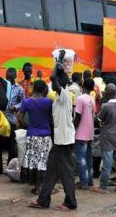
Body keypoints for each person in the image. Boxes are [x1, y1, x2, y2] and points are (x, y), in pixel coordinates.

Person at [28, 58, 77, 211]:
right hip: (60, 140)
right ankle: (43, 200)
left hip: (65, 140)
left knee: (66, 172)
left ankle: (70, 202)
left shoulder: (65, 95)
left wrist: (57, 64)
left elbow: (53, 80)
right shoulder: (58, 97)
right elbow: (53, 81)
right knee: (51, 170)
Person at [18, 80, 53, 194]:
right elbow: (52, 118)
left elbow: (20, 116)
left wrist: (26, 125)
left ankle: (35, 187)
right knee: (43, 161)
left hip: (32, 134)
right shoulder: (49, 102)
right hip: (45, 135)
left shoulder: (26, 102)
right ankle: (42, 187)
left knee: (34, 161)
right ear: (44, 89)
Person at [92, 83, 116, 194]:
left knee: (107, 163)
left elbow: (98, 120)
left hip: (107, 137)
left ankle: (103, 186)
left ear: (106, 93)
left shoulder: (106, 106)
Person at [0, 68, 24, 174]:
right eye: (8, 77)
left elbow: (23, 102)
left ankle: (9, 168)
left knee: (12, 146)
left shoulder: (19, 89)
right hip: (0, 120)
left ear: (15, 77)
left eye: (11, 78)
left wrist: (15, 107)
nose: (9, 79)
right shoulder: (1, 86)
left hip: (11, 120)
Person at [73, 78, 95, 190]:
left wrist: (72, 128)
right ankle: (89, 180)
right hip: (90, 132)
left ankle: (83, 182)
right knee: (88, 158)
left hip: (81, 133)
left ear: (82, 85)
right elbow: (93, 116)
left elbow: (78, 117)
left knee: (81, 158)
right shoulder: (92, 99)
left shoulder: (80, 99)